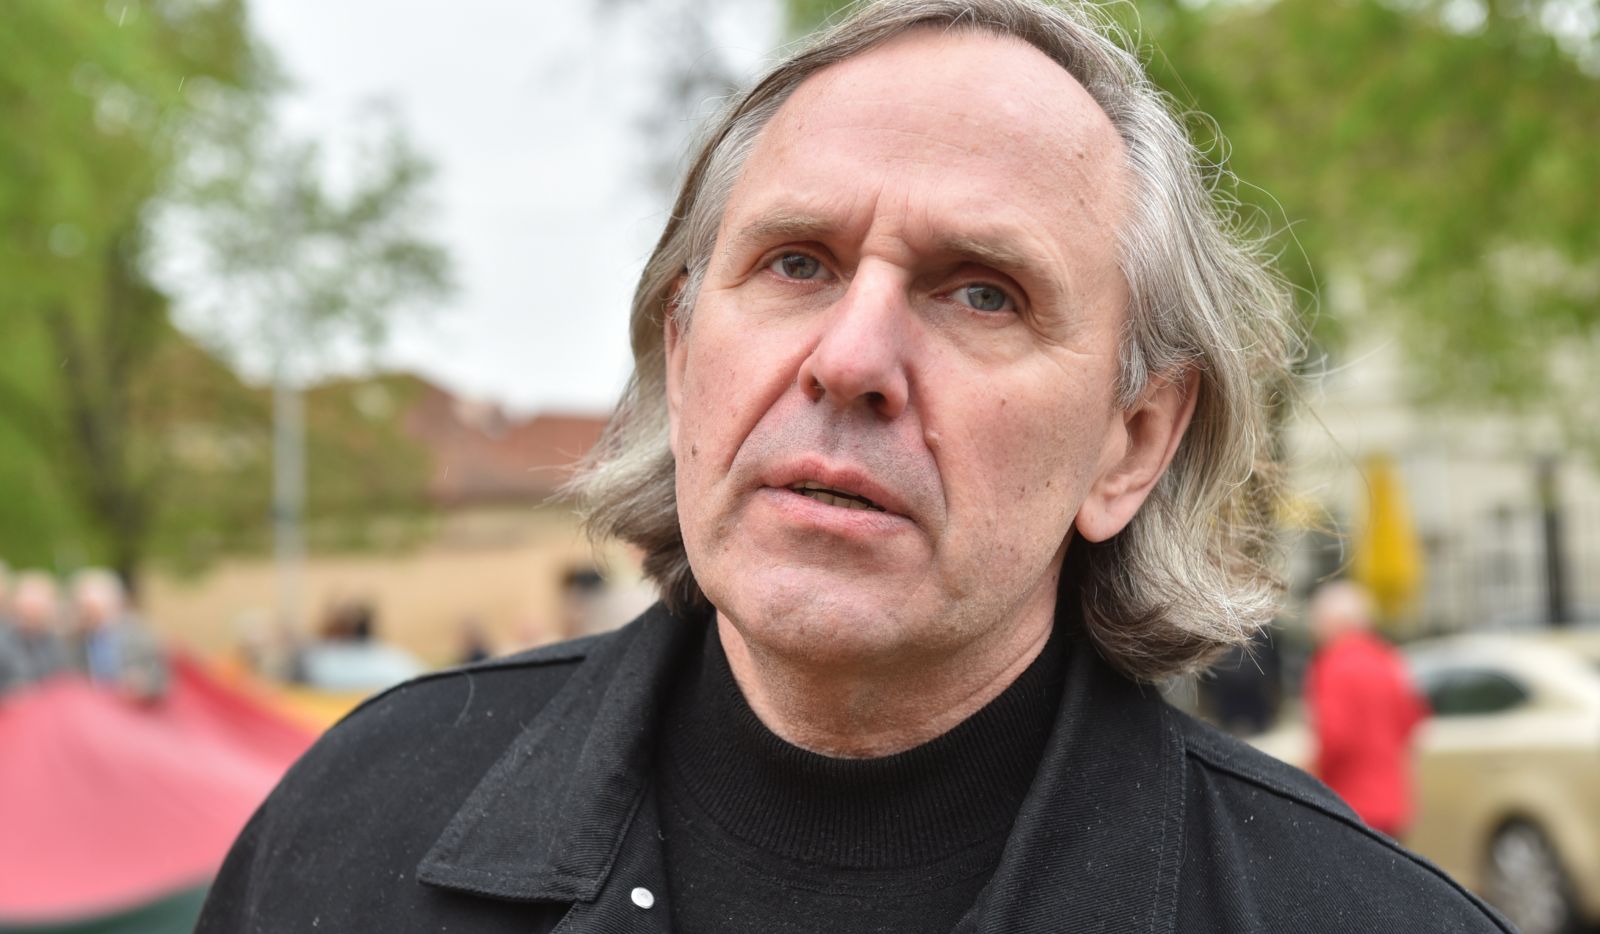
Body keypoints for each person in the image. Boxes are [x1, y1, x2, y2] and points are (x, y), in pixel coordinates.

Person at [198, 1, 1507, 931]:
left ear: (1133, 442)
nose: (850, 357)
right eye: (797, 263)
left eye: (981, 291)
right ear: (683, 349)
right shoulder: (349, 837)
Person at [1304, 579, 1429, 838]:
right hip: (1394, 803)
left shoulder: (1331, 665)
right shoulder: (1388, 659)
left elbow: (1333, 739)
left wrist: (1310, 780)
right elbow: (1412, 721)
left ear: (1333, 623)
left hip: (1349, 805)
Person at [69, 568, 169, 702]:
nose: (85, 613)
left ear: (111, 604)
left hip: (130, 709)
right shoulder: (76, 640)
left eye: (90, 607)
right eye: (81, 607)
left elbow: (162, 680)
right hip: (91, 709)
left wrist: (143, 685)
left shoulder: (139, 635)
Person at [0, 569, 71, 695]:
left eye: (38, 607)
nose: (31, 613)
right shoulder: (4, 642)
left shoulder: (57, 644)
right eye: (28, 606)